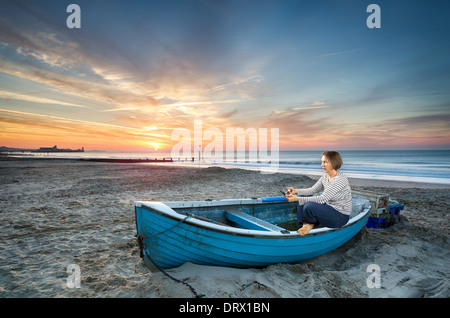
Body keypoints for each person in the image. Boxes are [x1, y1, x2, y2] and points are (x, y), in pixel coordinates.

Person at [284, 151, 352, 236]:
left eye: (325, 162)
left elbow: (322, 199)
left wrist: (297, 199)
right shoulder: (325, 176)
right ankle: (305, 224)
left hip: (340, 216)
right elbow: (312, 190)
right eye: (322, 162)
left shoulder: (340, 179)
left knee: (308, 206)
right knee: (304, 196)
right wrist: (296, 191)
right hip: (329, 208)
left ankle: (310, 224)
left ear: (334, 162)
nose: (322, 165)